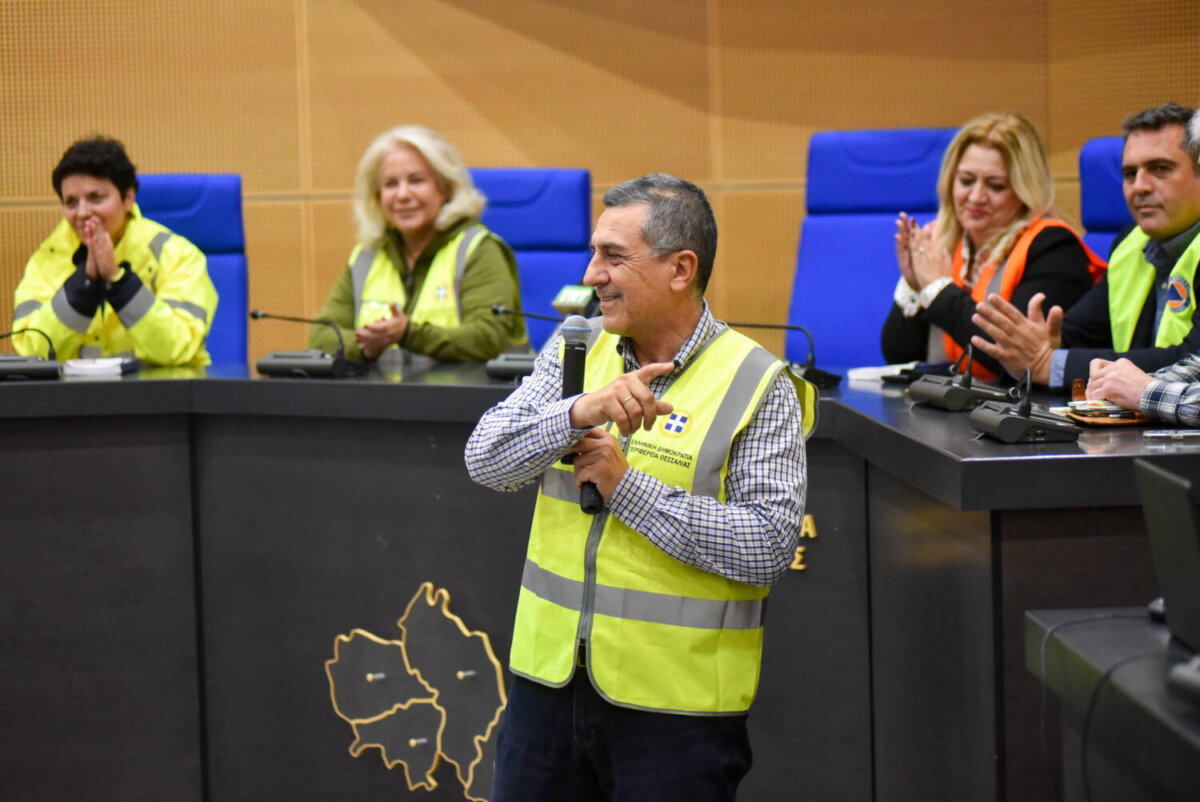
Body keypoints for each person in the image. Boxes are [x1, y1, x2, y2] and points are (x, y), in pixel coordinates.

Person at [464, 173, 807, 801]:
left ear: (681, 269)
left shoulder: (757, 382)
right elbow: (485, 459)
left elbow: (767, 546)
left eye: (613, 256)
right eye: (594, 252)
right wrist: (575, 414)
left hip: (676, 714)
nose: (591, 274)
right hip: (546, 690)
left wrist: (627, 490)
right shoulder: (576, 348)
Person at [972, 103, 1200, 389]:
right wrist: (1045, 342)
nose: (1139, 186)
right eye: (1130, 173)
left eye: (1160, 169)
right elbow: (1077, 333)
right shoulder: (1130, 243)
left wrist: (1049, 363)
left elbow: (1193, 362)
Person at [881, 112, 1103, 380]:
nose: (976, 197)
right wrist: (913, 285)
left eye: (996, 186)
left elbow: (1014, 359)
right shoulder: (940, 241)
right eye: (966, 180)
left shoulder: (1054, 248)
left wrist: (937, 291)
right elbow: (898, 356)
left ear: (1024, 190)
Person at [310, 125, 526, 362]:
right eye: (390, 184)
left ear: (445, 188)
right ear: (377, 195)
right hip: (381, 385)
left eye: (416, 180)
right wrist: (365, 346)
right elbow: (321, 335)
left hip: (469, 385)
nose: (403, 194)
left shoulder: (477, 250)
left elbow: (487, 339)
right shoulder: (367, 255)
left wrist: (408, 334)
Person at [12, 137, 218, 366]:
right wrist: (83, 286)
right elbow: (33, 352)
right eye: (71, 202)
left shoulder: (177, 253)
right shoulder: (46, 258)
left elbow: (179, 346)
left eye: (95, 198)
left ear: (128, 197)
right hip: (78, 389)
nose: (82, 212)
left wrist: (117, 281)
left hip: (161, 387)